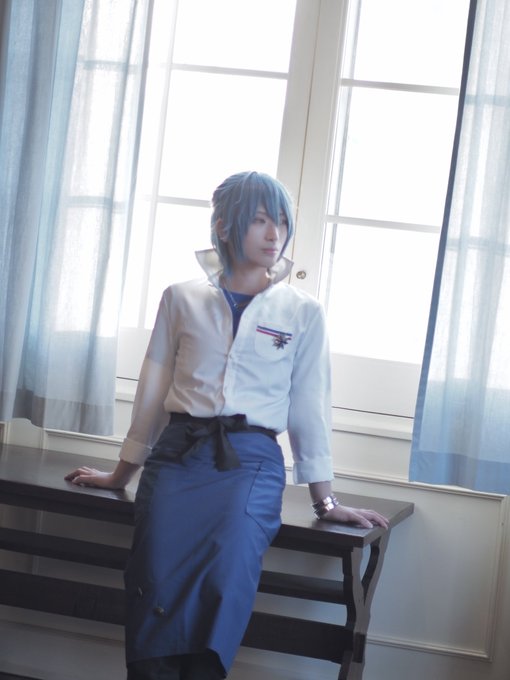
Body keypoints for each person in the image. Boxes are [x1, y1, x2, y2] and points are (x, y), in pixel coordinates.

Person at [65, 171, 388, 680]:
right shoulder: (180, 297)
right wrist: (120, 474)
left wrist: (326, 502)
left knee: (227, 572)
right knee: (153, 574)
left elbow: (309, 405)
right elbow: (152, 393)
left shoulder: (302, 312)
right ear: (223, 225)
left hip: (252, 465)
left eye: (281, 222)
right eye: (259, 220)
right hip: (177, 456)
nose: (274, 234)